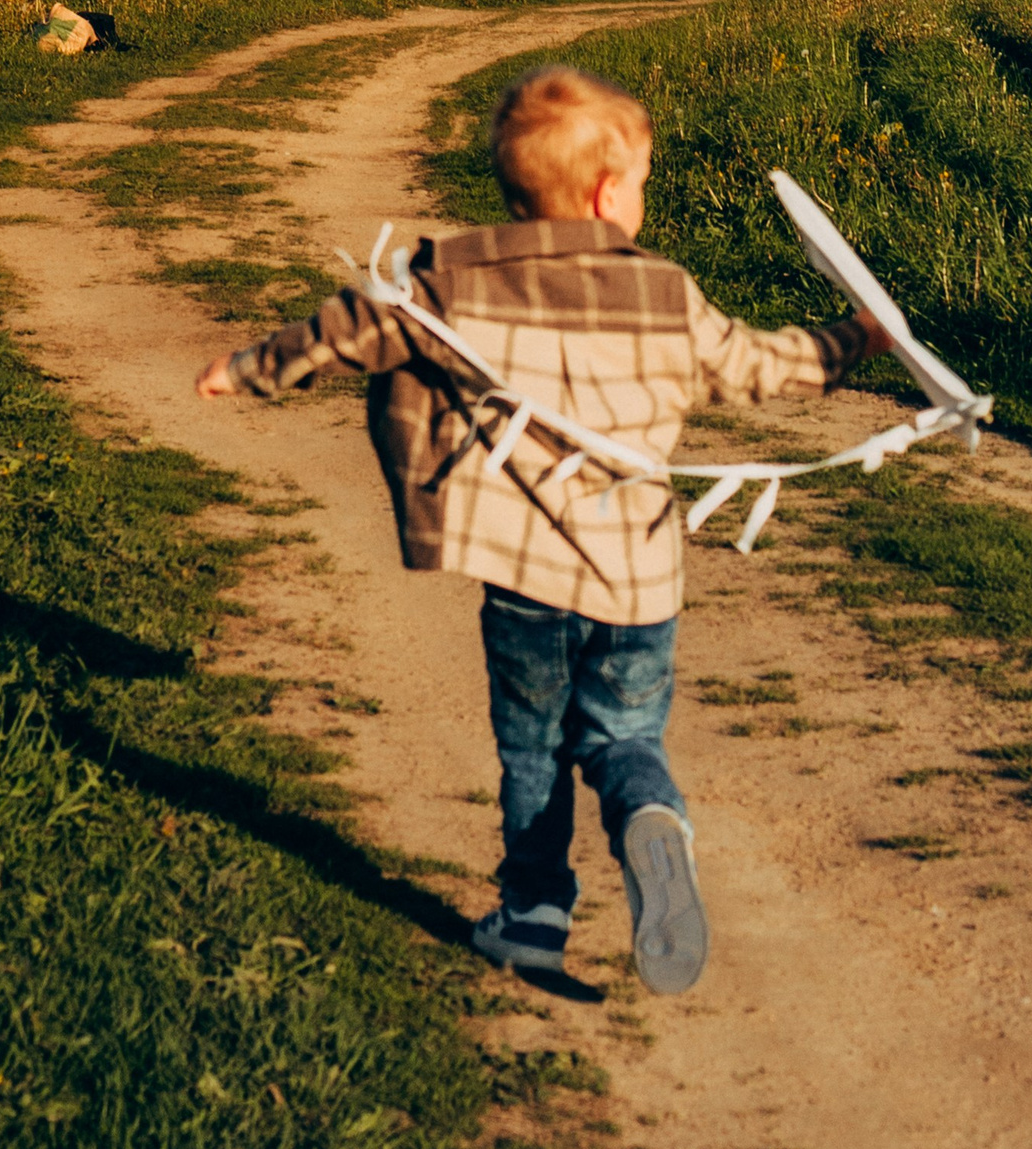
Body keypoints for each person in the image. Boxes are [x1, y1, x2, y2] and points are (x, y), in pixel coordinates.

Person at [197, 64, 887, 994]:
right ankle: (652, 817)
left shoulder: (457, 290)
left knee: (532, 749)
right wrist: (856, 339)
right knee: (622, 737)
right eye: (641, 182)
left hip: (525, 582)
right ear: (609, 194)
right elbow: (767, 366)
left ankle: (533, 914)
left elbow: (353, 326)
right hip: (640, 585)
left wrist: (249, 369)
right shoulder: (667, 298)